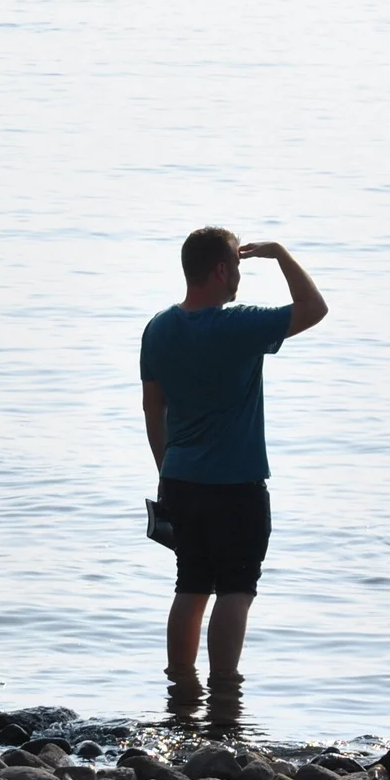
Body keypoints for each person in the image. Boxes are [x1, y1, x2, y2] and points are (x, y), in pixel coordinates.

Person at [141, 226, 327, 710]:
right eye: (239, 266)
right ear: (222, 269)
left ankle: (180, 692)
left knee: (191, 584)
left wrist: (167, 469)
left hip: (180, 478)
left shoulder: (157, 328)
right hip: (236, 483)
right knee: (236, 590)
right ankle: (225, 694)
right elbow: (314, 308)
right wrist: (282, 253)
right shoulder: (238, 324)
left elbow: (151, 409)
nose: (241, 276)